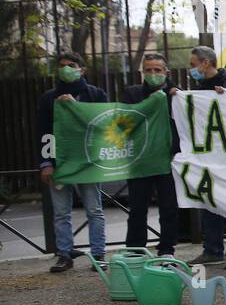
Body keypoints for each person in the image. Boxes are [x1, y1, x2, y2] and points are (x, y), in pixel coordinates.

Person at [36, 51, 107, 272]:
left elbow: (104, 126)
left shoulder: (96, 95)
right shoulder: (48, 98)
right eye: (62, 65)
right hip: (60, 163)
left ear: (82, 69)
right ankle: (64, 255)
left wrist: (75, 107)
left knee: (94, 210)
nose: (66, 68)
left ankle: (98, 255)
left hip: (88, 162)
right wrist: (45, 163)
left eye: (71, 64)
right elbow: (43, 132)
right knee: (61, 213)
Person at [186, 46, 226, 270]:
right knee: (209, 202)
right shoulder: (201, 86)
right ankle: (212, 250)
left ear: (205, 63)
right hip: (209, 156)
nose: (191, 69)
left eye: (193, 64)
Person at [122, 53, 178, 259]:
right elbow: (125, 121)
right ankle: (135, 251)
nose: (153, 74)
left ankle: (167, 250)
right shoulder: (132, 94)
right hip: (140, 161)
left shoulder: (177, 95)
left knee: (169, 208)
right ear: (142, 73)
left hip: (167, 160)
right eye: (149, 70)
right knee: (137, 209)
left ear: (166, 73)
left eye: (157, 70)